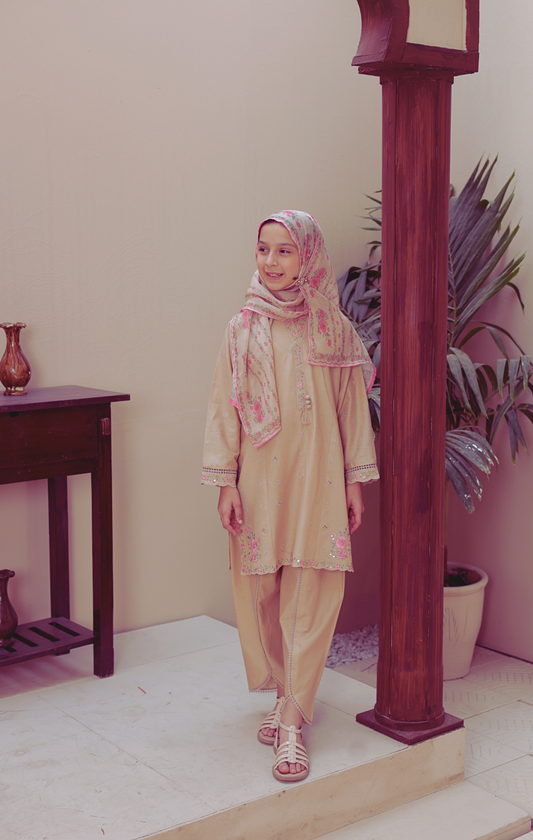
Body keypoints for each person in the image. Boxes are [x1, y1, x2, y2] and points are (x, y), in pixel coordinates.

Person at [202, 210, 378, 782]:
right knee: (265, 588)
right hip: (259, 478)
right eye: (264, 250)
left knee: (314, 585)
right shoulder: (240, 328)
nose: (272, 262)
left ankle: (295, 720)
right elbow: (223, 409)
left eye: (285, 251)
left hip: (320, 476)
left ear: (309, 257)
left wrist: (354, 480)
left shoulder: (334, 329)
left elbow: (353, 410)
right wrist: (225, 481)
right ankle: (284, 693)